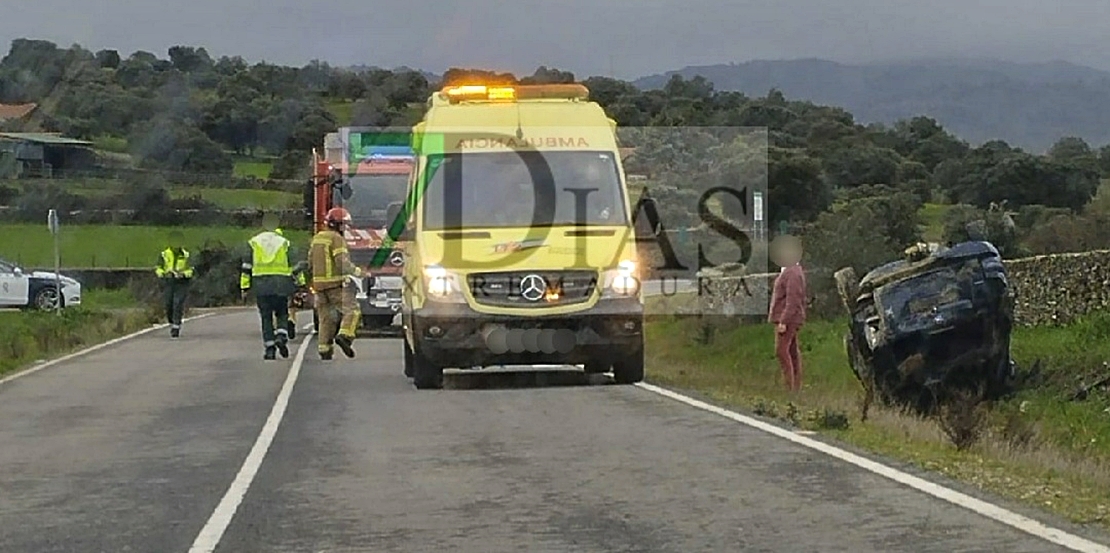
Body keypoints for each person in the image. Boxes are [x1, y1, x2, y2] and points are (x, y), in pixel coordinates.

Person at [240, 214, 304, 360]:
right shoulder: (285, 242)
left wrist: (244, 287)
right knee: (282, 313)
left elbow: (246, 267)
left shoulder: (253, 242)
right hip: (281, 283)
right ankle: (281, 336)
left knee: (266, 317)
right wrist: (301, 283)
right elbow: (295, 266)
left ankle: (270, 349)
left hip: (261, 284)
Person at [308, 207, 364, 360]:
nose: (345, 228)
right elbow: (342, 262)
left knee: (325, 318)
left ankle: (324, 349)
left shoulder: (317, 238)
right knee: (352, 310)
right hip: (334, 285)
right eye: (344, 224)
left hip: (319, 287)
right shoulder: (336, 239)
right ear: (336, 224)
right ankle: (345, 336)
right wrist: (358, 272)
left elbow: (310, 262)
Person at [768, 233, 807, 392]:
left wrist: (784, 321)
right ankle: (795, 387)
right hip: (789, 317)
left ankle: (789, 387)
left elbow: (793, 299)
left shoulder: (793, 273)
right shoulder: (789, 271)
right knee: (791, 352)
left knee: (782, 351)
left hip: (789, 318)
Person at [155, 230, 194, 339]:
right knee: (168, 304)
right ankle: (172, 321)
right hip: (168, 282)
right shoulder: (164, 254)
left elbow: (191, 270)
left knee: (178, 303)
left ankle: (176, 327)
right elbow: (158, 268)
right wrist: (163, 274)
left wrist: (183, 274)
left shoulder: (186, 255)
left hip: (181, 283)